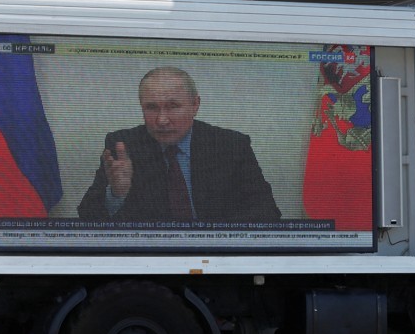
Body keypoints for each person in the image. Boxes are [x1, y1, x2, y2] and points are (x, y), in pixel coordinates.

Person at [77, 66, 281, 222]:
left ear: (195, 105)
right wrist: (116, 194)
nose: (162, 120)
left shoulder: (231, 145)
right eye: (152, 108)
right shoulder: (124, 146)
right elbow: (87, 216)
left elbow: (267, 211)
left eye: (173, 106)